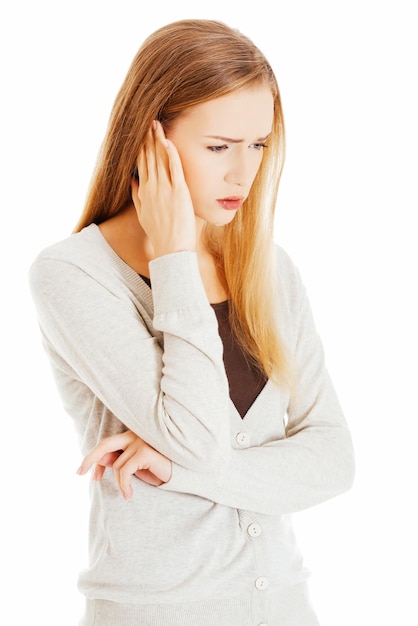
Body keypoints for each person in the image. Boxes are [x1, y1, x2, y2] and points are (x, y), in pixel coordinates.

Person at [29, 18, 355, 626]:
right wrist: (174, 258)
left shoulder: (270, 269)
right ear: (151, 141)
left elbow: (334, 459)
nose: (243, 173)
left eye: (258, 144)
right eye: (218, 147)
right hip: (155, 612)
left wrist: (177, 471)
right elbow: (198, 435)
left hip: (284, 606)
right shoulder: (73, 274)